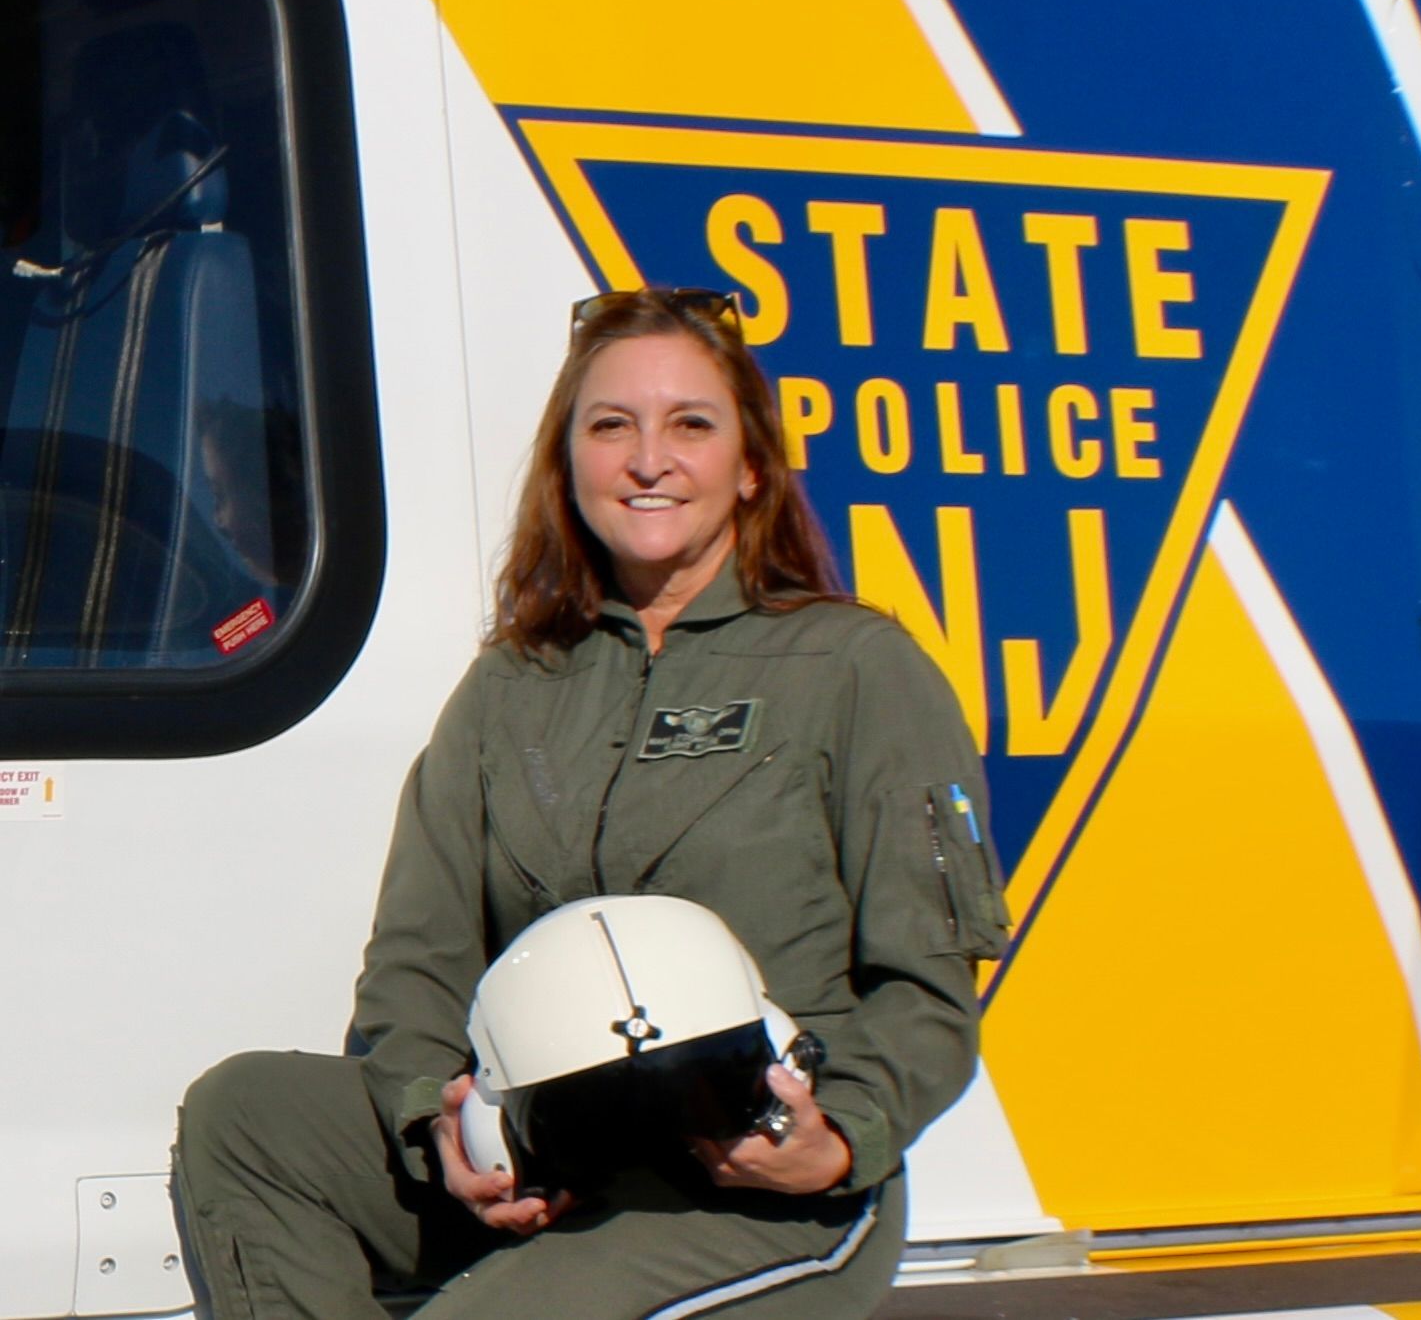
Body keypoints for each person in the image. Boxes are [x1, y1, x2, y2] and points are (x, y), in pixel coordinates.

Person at [174, 286, 1009, 1318]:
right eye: (610, 425)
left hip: (751, 1181)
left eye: (689, 425)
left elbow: (928, 988)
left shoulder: (854, 666)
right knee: (245, 1114)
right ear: (568, 464)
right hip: (551, 1154)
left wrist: (841, 1133)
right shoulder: (513, 682)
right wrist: (431, 1120)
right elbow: (415, 961)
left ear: (751, 466)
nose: (648, 459)